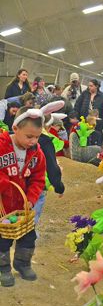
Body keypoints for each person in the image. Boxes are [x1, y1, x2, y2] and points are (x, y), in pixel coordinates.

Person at [0, 107, 46, 287]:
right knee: (2, 239)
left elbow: (38, 179)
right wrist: (5, 182)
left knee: (28, 236)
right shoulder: (2, 146)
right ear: (16, 128)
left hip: (23, 207)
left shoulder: (37, 153)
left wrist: (31, 199)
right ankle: (3, 267)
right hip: (2, 206)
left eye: (37, 137)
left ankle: (22, 263)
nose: (33, 141)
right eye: (29, 136)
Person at [34, 114, 65, 225]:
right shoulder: (45, 141)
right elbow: (51, 166)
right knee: (33, 217)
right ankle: (29, 239)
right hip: (38, 184)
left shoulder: (23, 136)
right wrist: (59, 186)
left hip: (19, 184)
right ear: (49, 126)